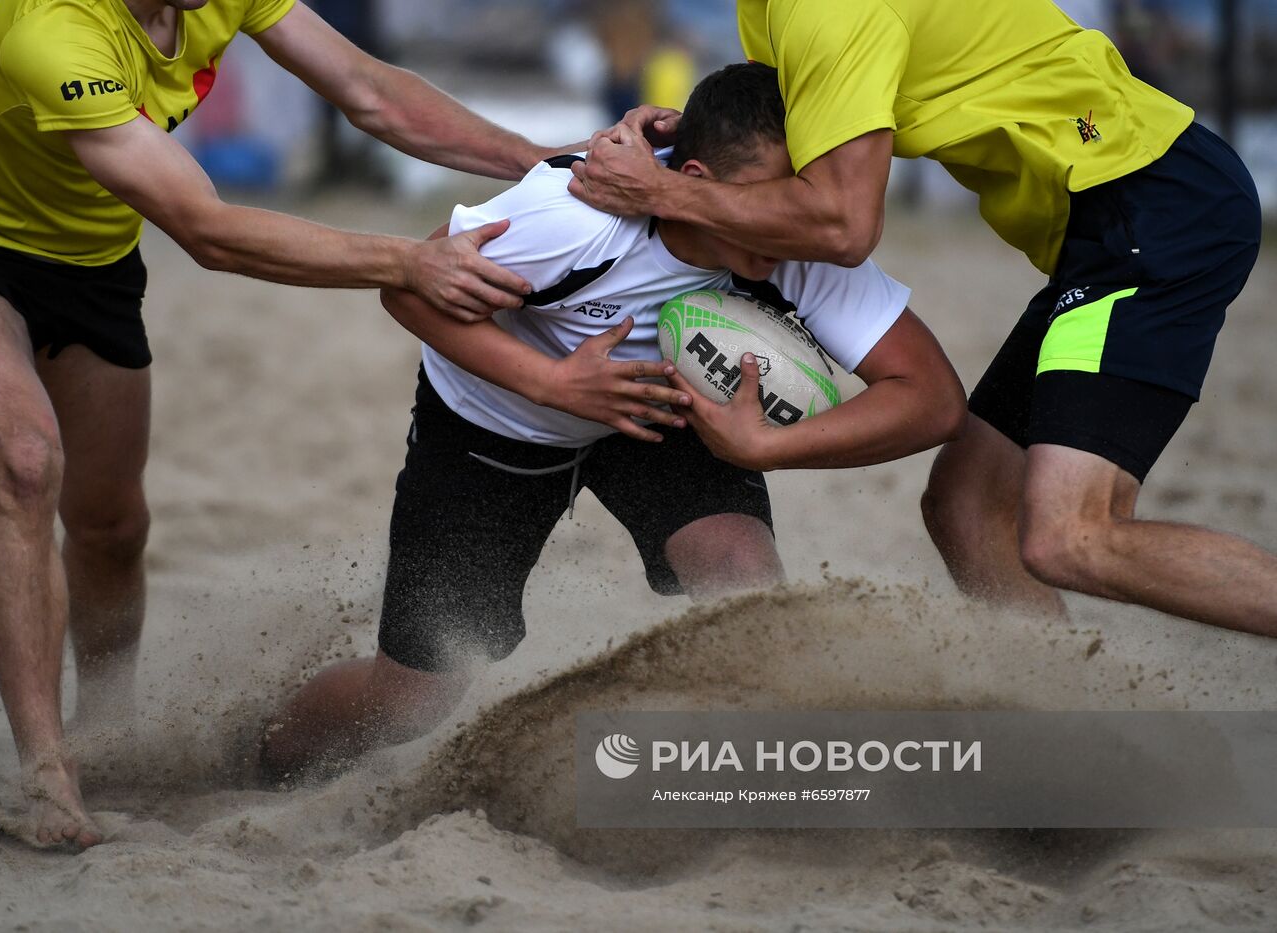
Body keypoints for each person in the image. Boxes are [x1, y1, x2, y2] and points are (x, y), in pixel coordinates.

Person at [0, 0, 576, 851]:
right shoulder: (51, 30)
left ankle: (107, 732)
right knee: (25, 462)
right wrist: (407, 260)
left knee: (112, 524)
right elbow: (208, 231)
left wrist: (544, 159)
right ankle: (47, 776)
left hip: (92, 262)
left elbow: (369, 90)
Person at [258, 63, 965, 781]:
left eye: (797, 199)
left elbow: (932, 396)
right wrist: (555, 382)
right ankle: (263, 756)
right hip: (495, 423)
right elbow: (409, 291)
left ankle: (773, 793)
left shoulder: (802, 242)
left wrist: (769, 445)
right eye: (764, 199)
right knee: (411, 699)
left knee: (748, 588)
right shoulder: (574, 216)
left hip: (660, 408)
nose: (781, 220)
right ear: (690, 177)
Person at [569, 0, 1274, 635]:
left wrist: (660, 189)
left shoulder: (826, 9)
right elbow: (783, 121)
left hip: (1147, 202)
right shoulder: (773, 11)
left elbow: (845, 224)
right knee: (967, 509)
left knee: (1070, 538)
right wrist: (691, 138)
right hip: (1113, 220)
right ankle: (1078, 735)